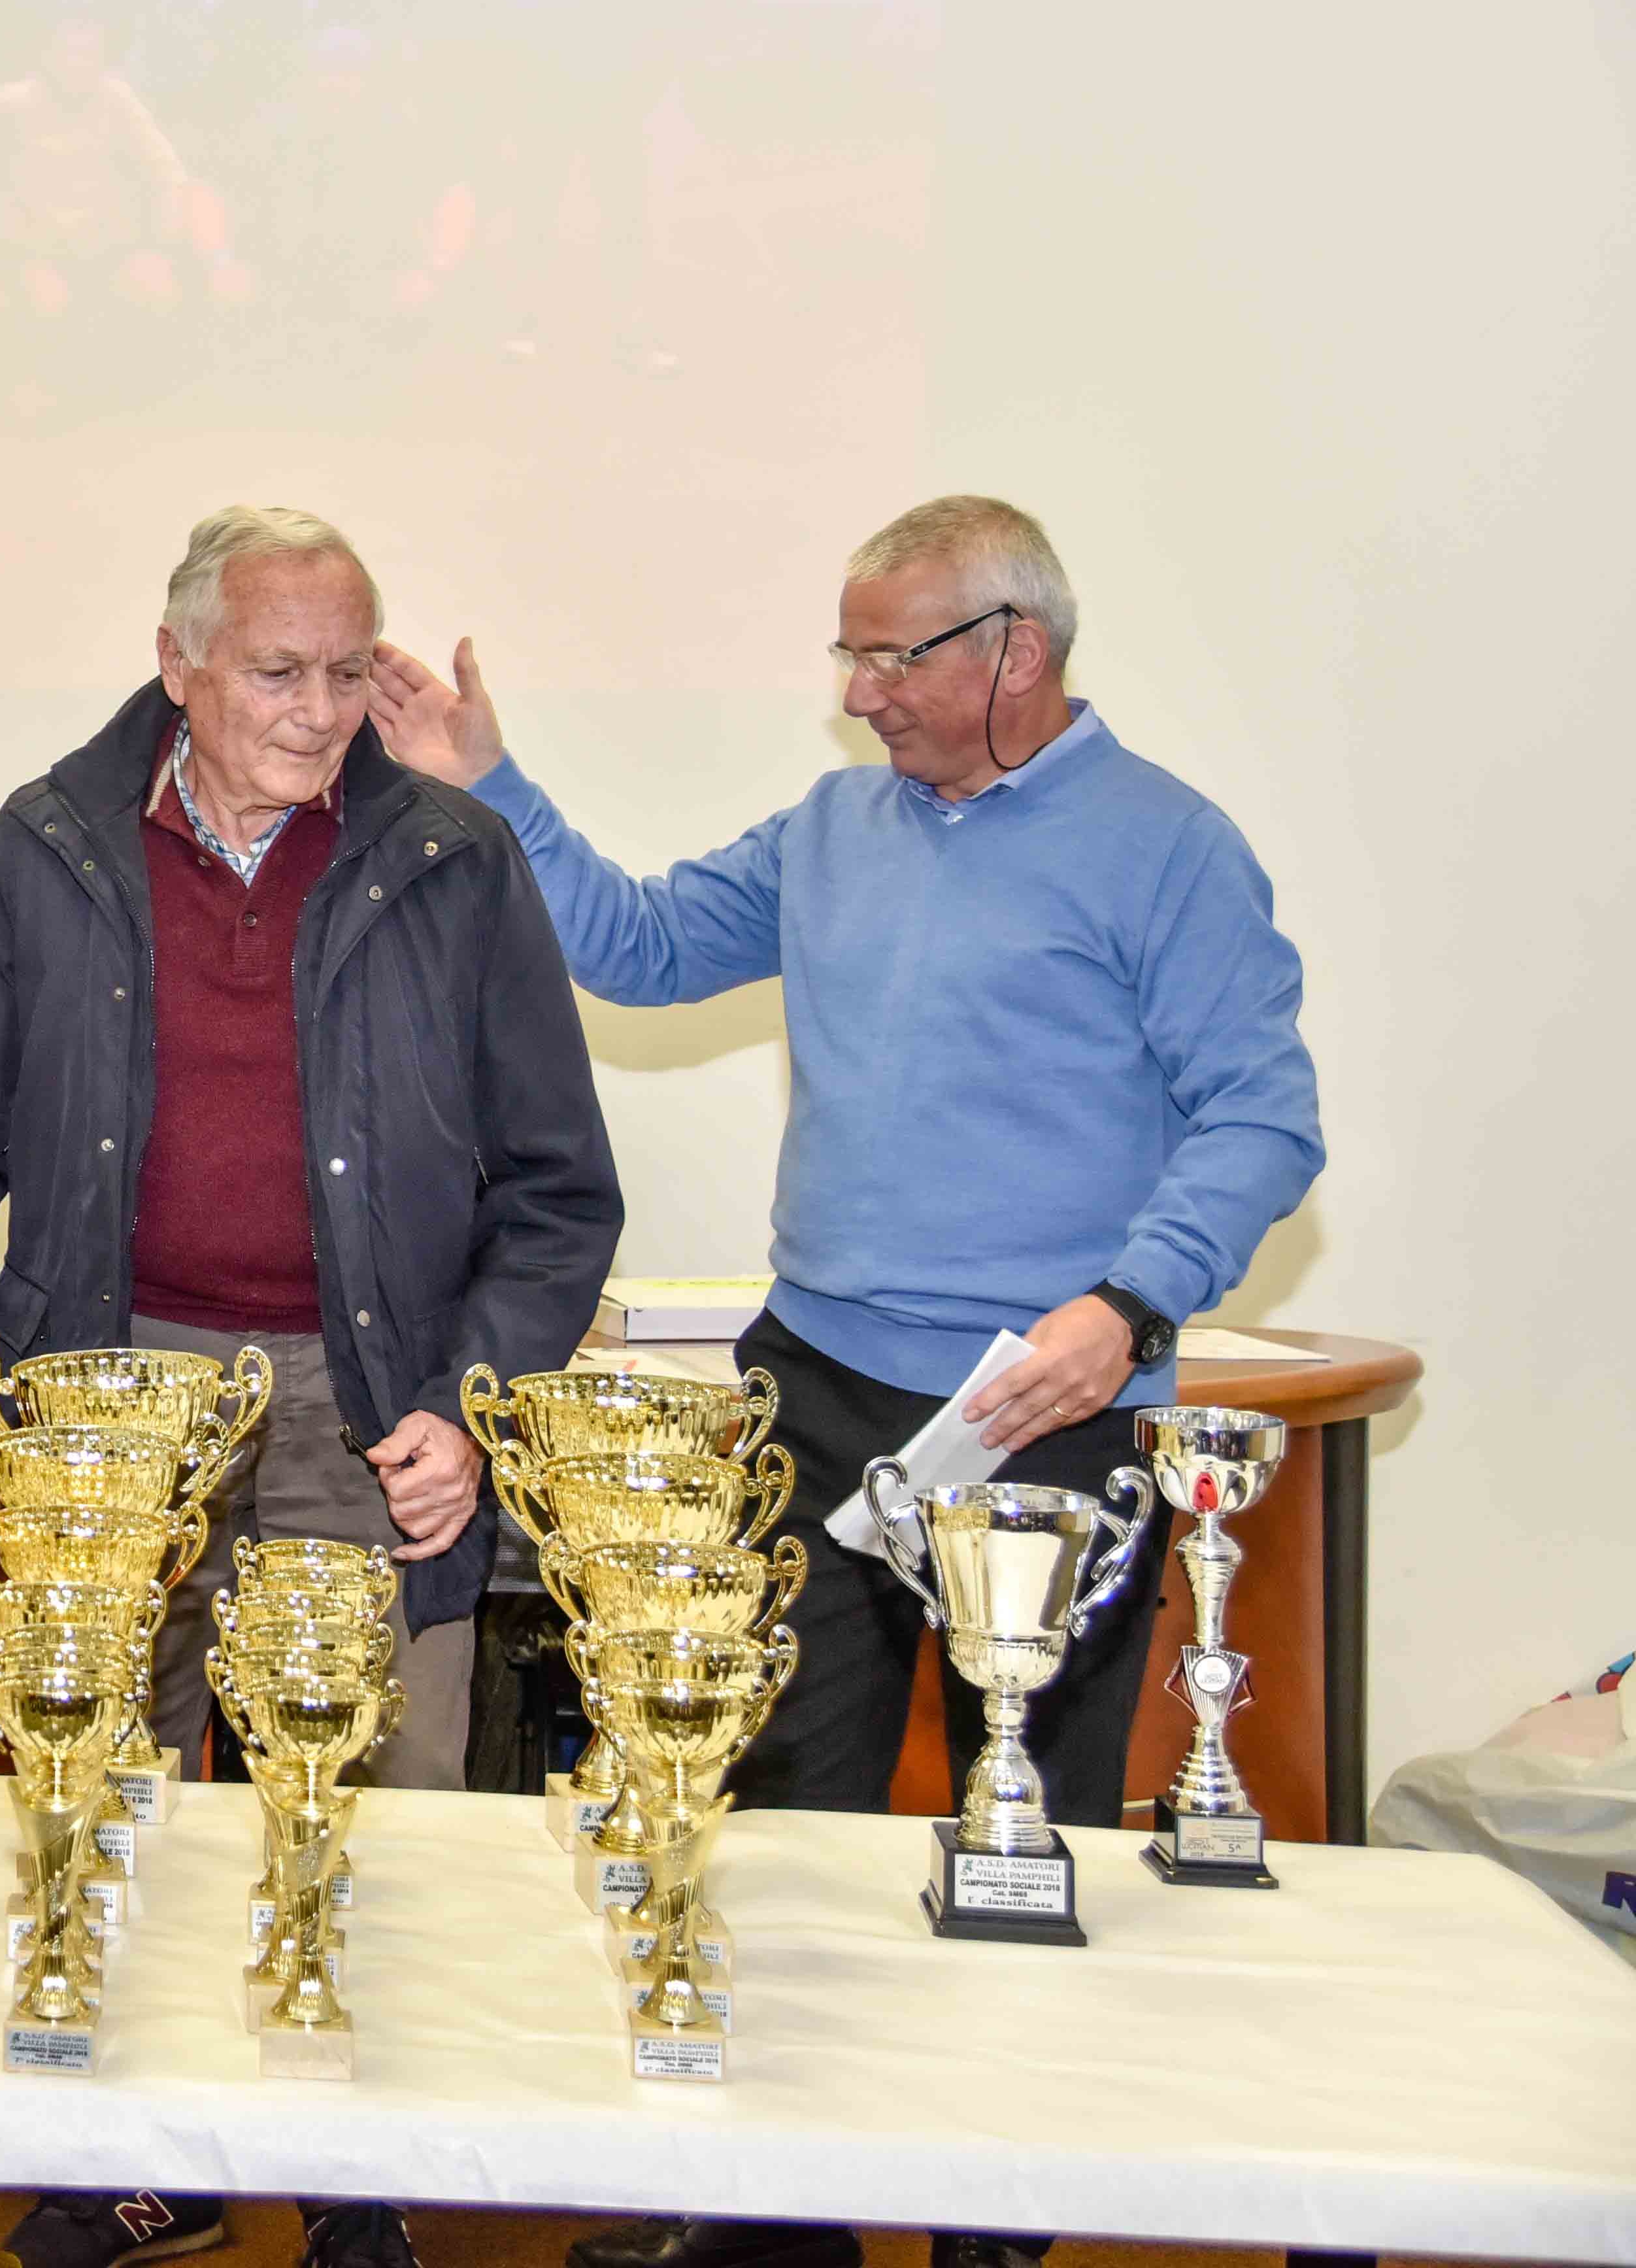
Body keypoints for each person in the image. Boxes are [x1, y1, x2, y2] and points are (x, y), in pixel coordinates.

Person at [369, 494, 1324, 2268]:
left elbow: (1264, 1119)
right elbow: (643, 946)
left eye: (893, 656)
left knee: (1022, 1830)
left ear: (1017, 651)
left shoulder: (1169, 850)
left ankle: (990, 2226)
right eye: (851, 653)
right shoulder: (832, 831)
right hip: (811, 1392)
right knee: (783, 1817)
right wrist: (489, 784)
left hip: (1049, 1413)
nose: (859, 692)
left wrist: (1128, 1307)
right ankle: (771, 2225)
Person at [0, 505, 618, 2268]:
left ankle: (359, 2182)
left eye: (350, 672)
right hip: (105, 1397)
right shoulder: (51, 844)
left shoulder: (456, 860)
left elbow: (559, 1192)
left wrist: (471, 1403)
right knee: (106, 1789)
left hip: (373, 1404)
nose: (320, 711)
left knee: (378, 1797)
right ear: (178, 666)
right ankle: (139, 2164)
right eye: (279, 672)